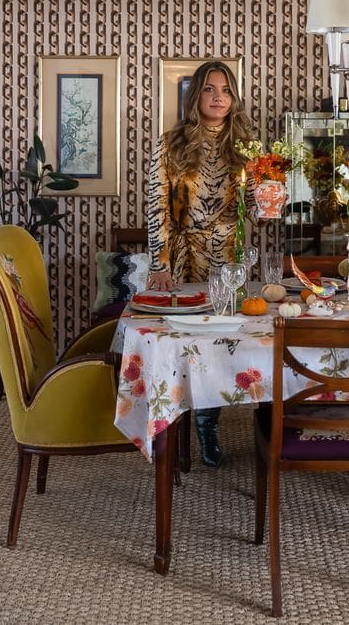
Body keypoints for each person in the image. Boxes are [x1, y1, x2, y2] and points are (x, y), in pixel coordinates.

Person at [147, 60, 254, 467]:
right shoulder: (170, 143)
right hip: (181, 256)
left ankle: (208, 429)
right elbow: (157, 206)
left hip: (229, 257)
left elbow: (256, 209)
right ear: (196, 96)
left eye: (225, 90)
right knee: (182, 346)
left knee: (218, 349)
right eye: (209, 90)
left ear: (233, 96)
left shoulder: (245, 144)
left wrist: (268, 197)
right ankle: (172, 428)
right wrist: (159, 262)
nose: (218, 98)